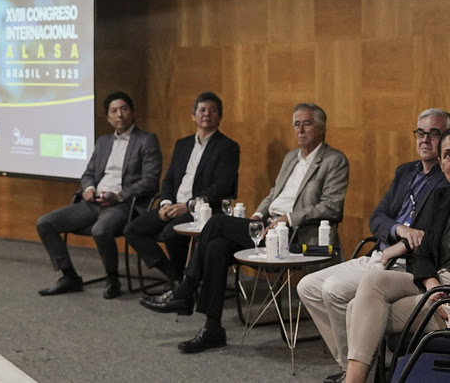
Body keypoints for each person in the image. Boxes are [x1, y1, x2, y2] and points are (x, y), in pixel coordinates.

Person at [140, 103, 349, 354]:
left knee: (216, 223)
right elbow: (274, 193)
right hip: (267, 226)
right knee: (217, 246)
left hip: (295, 234)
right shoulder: (291, 157)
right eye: (296, 124)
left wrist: (288, 218)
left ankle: (186, 288)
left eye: (307, 124)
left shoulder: (334, 160)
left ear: (321, 128)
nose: (300, 129)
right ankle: (212, 328)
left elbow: (331, 207)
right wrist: (260, 213)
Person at [343, 126, 450, 383]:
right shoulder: (440, 197)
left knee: (356, 309)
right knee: (371, 282)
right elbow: (420, 253)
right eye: (448, 155)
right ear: (441, 162)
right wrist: (431, 283)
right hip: (435, 288)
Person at [297, 108, 450, 383]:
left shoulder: (448, 179)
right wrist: (399, 229)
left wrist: (401, 244)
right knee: (307, 286)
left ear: (446, 140)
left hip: (406, 264)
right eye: (421, 133)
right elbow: (377, 217)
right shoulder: (406, 171)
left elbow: (430, 235)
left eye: (434, 134)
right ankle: (354, 365)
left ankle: (356, 373)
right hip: (380, 253)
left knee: (333, 290)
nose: (425, 139)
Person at [36, 91, 162, 299]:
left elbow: (150, 180)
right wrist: (88, 189)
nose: (119, 115)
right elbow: (88, 174)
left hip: (123, 204)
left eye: (124, 109)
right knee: (45, 223)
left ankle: (112, 278)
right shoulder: (103, 141)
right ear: (108, 117)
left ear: (132, 113)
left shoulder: (146, 140)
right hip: (93, 202)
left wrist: (119, 196)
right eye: (114, 111)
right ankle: (70, 276)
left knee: (101, 230)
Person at [124, 91, 240, 285]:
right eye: (202, 110)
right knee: (132, 229)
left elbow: (221, 188)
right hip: (172, 205)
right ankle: (175, 276)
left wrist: (188, 205)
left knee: (172, 233)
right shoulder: (183, 144)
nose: (207, 114)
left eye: (213, 111)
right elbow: (169, 179)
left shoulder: (228, 147)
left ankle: (182, 284)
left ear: (219, 117)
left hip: (203, 209)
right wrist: (165, 203)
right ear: (193, 116)